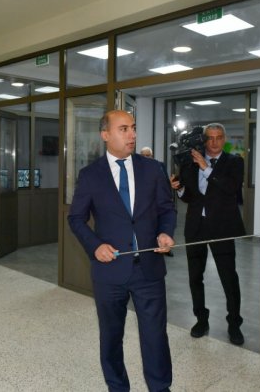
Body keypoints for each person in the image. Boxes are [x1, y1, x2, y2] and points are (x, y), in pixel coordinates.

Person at [68, 110, 176, 392]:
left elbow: (167, 209)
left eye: (133, 128)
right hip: (109, 271)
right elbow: (76, 218)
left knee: (155, 336)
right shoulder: (91, 175)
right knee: (111, 336)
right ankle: (117, 387)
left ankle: (160, 387)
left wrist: (165, 232)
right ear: (105, 135)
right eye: (124, 129)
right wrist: (95, 246)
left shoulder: (153, 169)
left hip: (149, 269)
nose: (133, 135)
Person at [170, 123, 245, 345]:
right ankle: (201, 320)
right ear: (204, 140)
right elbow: (189, 196)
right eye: (210, 138)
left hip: (222, 227)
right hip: (196, 226)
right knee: (195, 277)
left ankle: (234, 323)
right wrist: (179, 189)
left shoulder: (234, 162)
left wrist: (206, 168)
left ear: (224, 139)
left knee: (228, 278)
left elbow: (231, 188)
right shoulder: (190, 162)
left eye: (219, 137)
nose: (214, 142)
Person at [140, 146, 174, 257]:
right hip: (146, 205)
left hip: (159, 201)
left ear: (152, 156)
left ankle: (166, 246)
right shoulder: (137, 168)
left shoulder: (159, 165)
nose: (146, 157)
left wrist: (168, 195)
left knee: (163, 223)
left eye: (148, 155)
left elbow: (165, 182)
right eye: (143, 155)